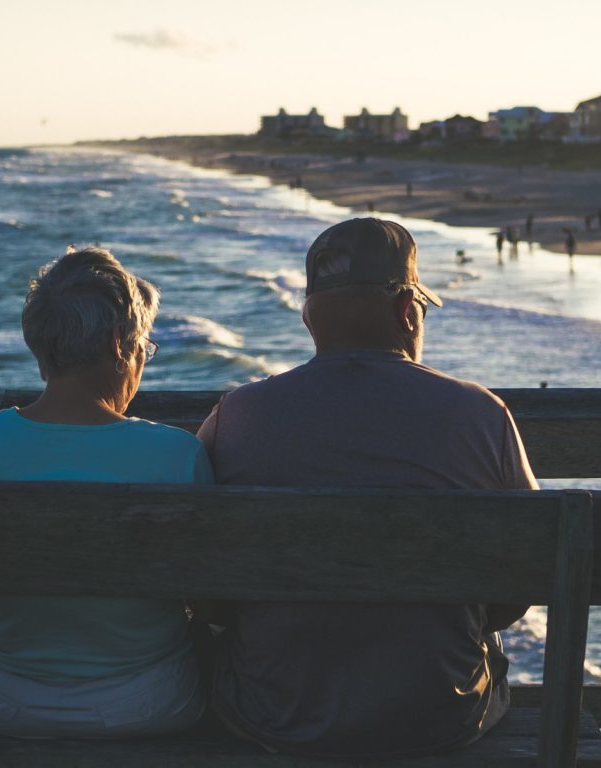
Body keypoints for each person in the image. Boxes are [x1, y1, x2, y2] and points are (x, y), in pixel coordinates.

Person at [197, 218, 537, 759]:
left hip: (274, 715)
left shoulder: (235, 416)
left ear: (309, 318)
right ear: (407, 312)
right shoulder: (481, 415)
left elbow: (203, 584)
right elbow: (526, 573)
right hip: (441, 717)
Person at [0, 247, 211, 739]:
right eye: (145, 345)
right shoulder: (176, 454)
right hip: (145, 703)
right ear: (121, 344)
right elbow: (211, 596)